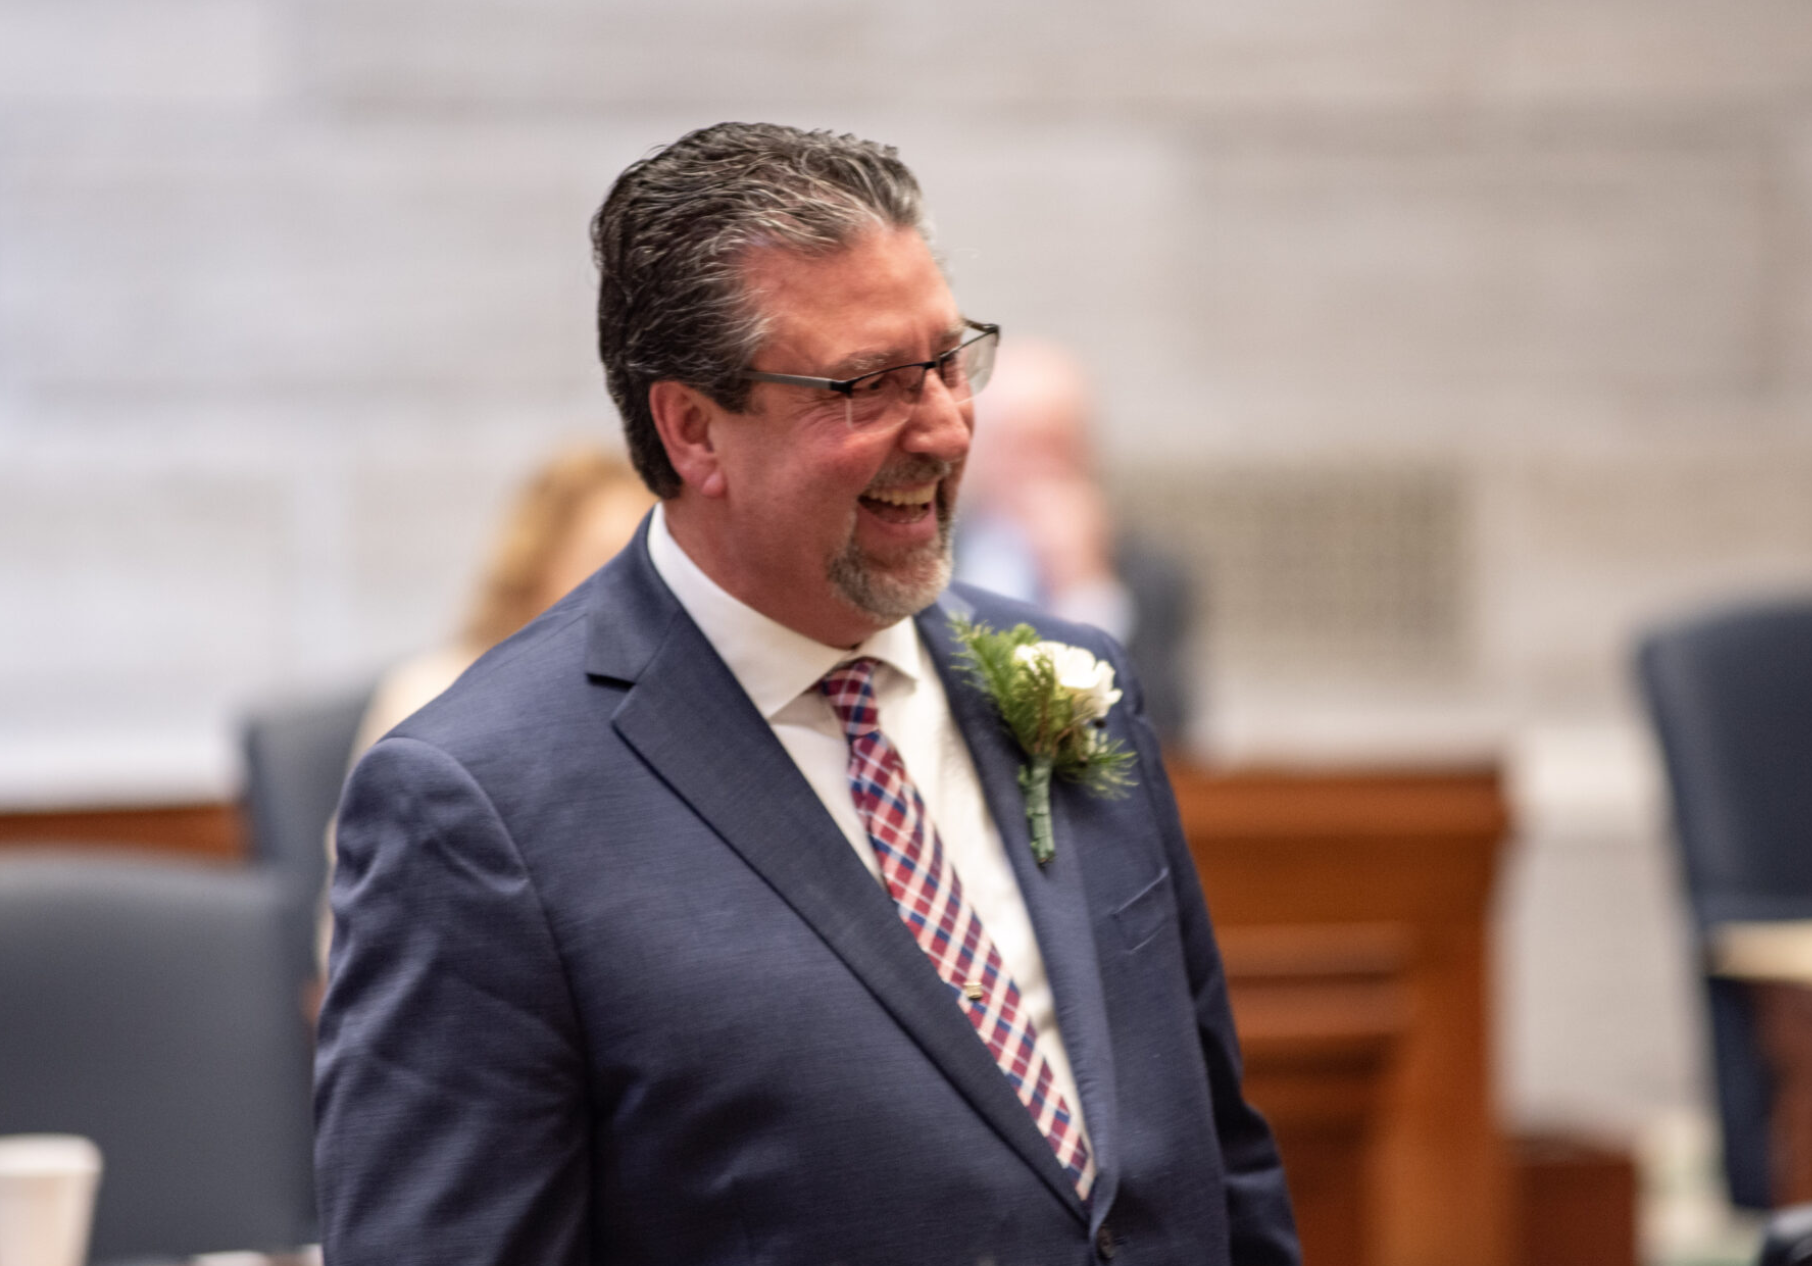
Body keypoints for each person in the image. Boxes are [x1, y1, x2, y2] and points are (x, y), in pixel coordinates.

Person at [315, 122, 1298, 1266]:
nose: (946, 426)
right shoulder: (476, 805)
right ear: (694, 431)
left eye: (948, 360)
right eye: (867, 386)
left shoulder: (1074, 679)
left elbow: (1220, 1163)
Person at [957, 339, 1198, 747]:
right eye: (1020, 445)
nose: (1040, 468)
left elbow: (1165, 734)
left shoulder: (1148, 573)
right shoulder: (932, 558)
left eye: (1057, 445)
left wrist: (1085, 586)